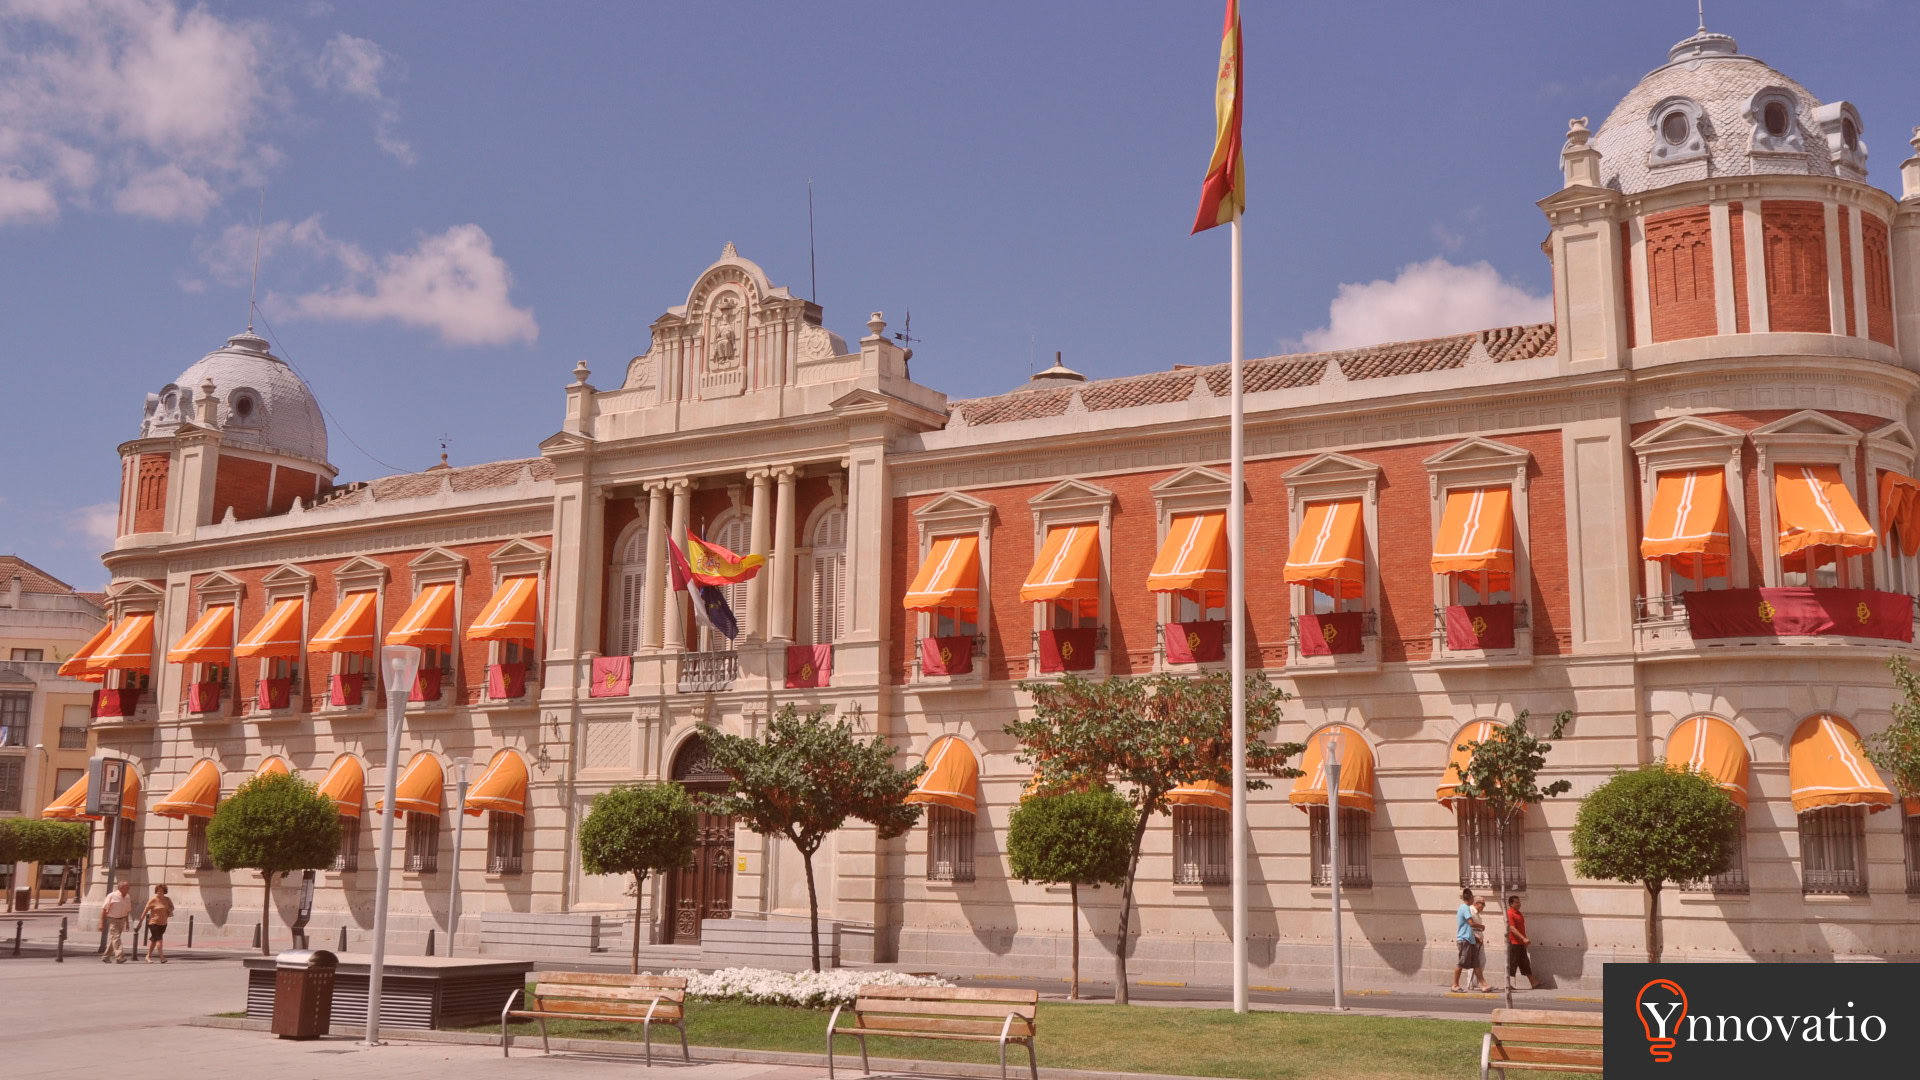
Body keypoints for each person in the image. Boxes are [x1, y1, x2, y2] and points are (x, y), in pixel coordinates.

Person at [1450, 887, 1478, 992]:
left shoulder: (1465, 907)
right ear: (1470, 897)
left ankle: (1484, 984)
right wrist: (1481, 926)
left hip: (1470, 939)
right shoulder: (1465, 908)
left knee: (1476, 963)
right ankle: (1455, 985)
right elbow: (1471, 923)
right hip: (1464, 939)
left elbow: (1468, 925)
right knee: (1461, 963)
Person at [1504, 894, 1534, 991]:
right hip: (1514, 942)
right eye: (1516, 902)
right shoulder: (1510, 913)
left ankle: (1534, 982)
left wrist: (1524, 940)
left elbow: (1521, 928)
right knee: (1512, 964)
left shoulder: (1519, 913)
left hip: (1520, 943)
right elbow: (1512, 928)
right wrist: (1523, 938)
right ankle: (1508, 984)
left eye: (1519, 902)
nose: (1519, 904)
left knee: (1525, 963)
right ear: (1511, 904)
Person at [99, 881, 133, 964]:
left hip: (122, 919)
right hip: (112, 919)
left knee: (114, 939)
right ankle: (120, 957)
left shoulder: (127, 897)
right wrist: (101, 923)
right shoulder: (111, 896)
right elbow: (104, 909)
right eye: (127, 887)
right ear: (121, 888)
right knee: (116, 937)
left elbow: (127, 910)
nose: (128, 889)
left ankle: (106, 957)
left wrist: (127, 922)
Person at [143, 884, 174, 964]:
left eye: (161, 891)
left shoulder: (167, 899)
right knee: (159, 940)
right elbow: (145, 910)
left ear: (164, 891)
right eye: (158, 891)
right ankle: (162, 957)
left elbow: (172, 907)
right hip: (154, 923)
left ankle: (148, 956)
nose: (159, 892)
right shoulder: (153, 900)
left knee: (154, 940)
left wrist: (169, 909)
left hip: (163, 923)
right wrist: (140, 921)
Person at [1469, 898, 1491, 991]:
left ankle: (1475, 983)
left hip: (1479, 939)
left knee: (1482, 961)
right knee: (1474, 962)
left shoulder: (1476, 913)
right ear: (1477, 903)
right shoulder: (1471, 911)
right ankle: (1471, 984)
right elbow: (1469, 925)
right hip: (1474, 939)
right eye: (1483, 904)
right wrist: (1476, 935)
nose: (1484, 906)